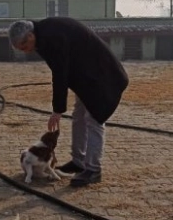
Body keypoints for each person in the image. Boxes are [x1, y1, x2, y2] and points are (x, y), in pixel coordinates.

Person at [8, 17, 129, 187]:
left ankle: (93, 169)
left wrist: (57, 110)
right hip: (86, 77)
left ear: (30, 36)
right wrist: (58, 108)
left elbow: (59, 73)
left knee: (94, 119)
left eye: (24, 47)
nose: (26, 51)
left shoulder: (52, 37)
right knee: (79, 116)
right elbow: (61, 70)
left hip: (103, 76)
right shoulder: (42, 37)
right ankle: (78, 162)